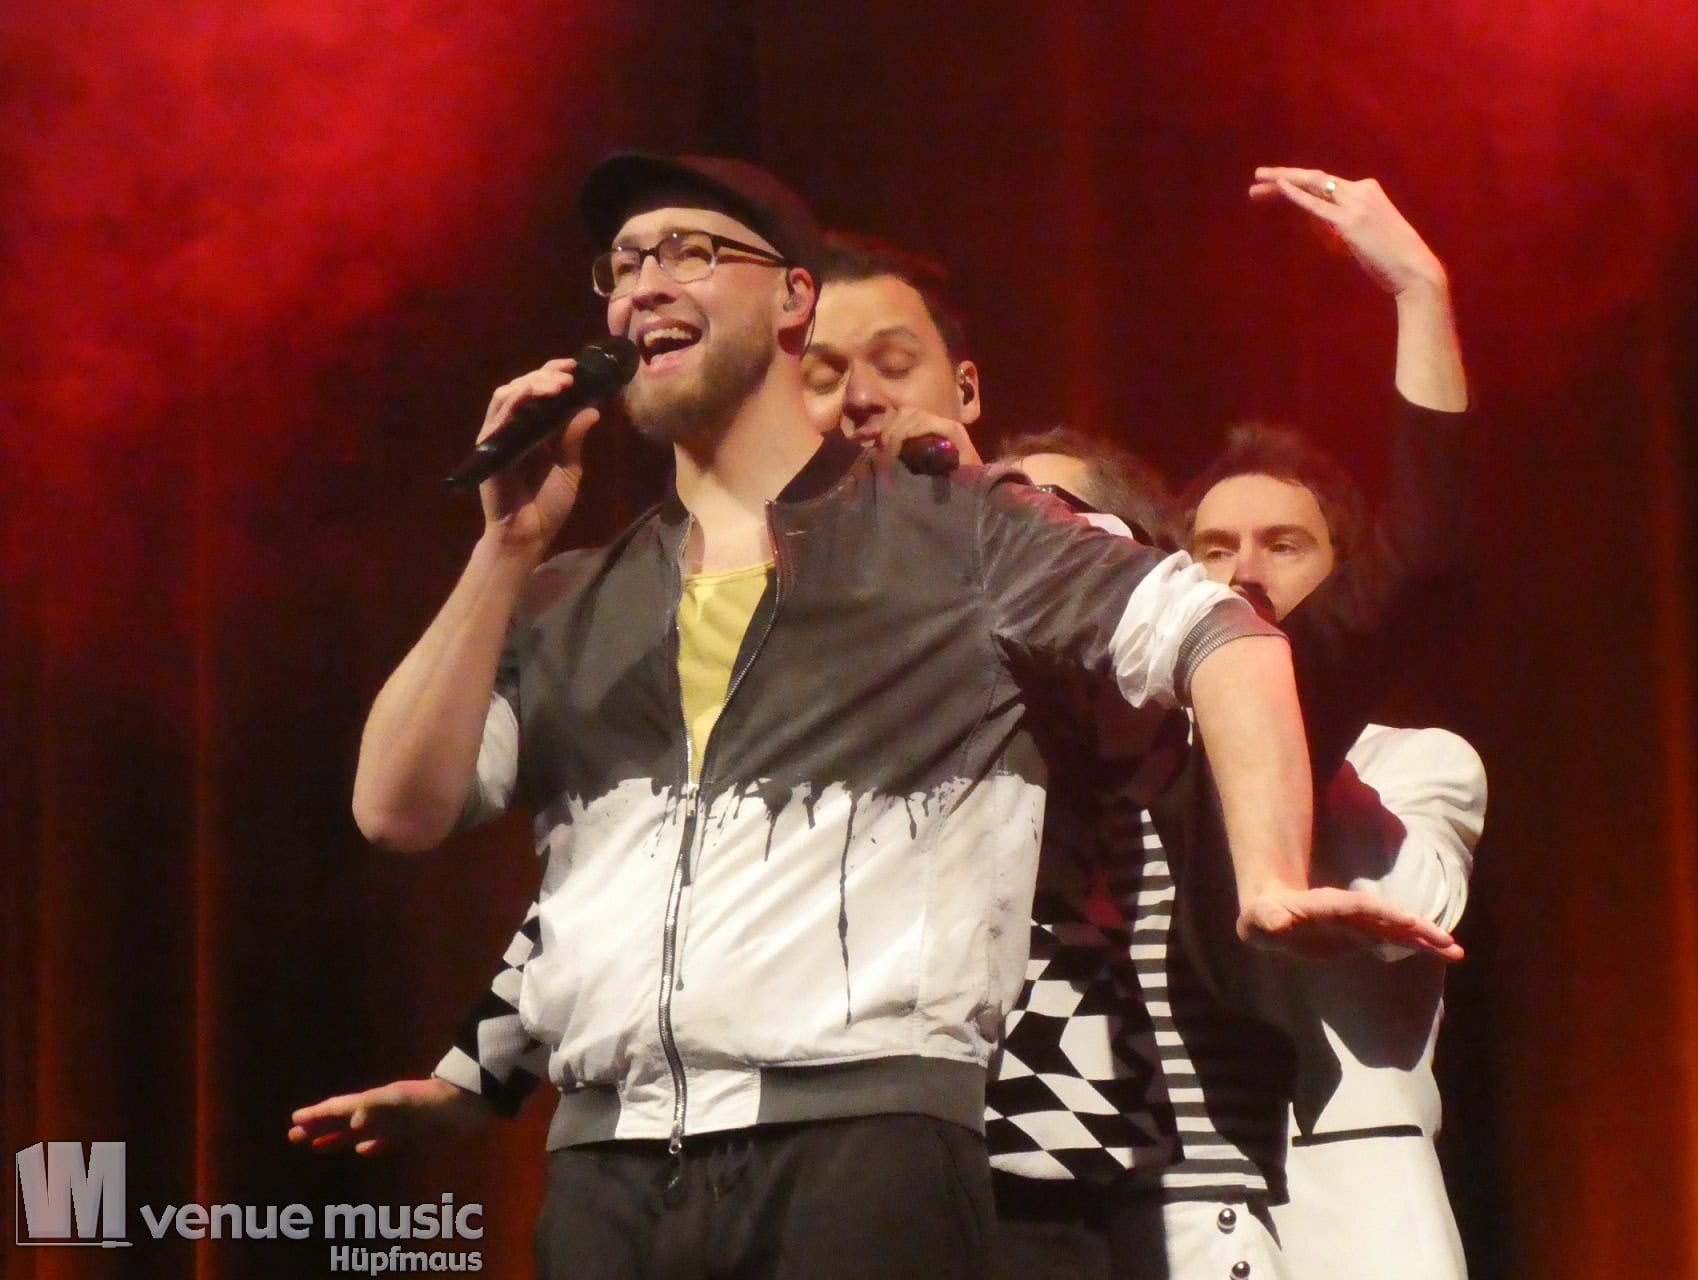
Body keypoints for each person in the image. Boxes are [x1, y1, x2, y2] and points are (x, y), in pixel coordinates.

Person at [300, 151, 1453, 1280]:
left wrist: (1268, 869)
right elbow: (573, 865)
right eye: (622, 262)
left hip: (972, 1148)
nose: (857, 394)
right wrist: (474, 1075)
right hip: (625, 1162)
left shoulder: (992, 542)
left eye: (688, 252)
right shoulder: (601, 593)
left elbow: (1263, 632)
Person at [1179, 424, 1484, 1280]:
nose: (1245, 574)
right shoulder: (1147, 761)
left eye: (1283, 546)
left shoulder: (1420, 760)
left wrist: (1286, 737)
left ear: (1342, 579)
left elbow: (1418, 915)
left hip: (1359, 1194)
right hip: (1177, 1189)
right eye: (1215, 550)